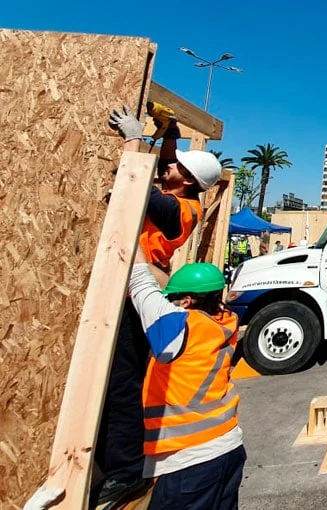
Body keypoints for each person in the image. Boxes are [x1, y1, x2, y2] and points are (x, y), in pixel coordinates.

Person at [94, 105, 222, 505]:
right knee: (119, 380)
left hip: (138, 291)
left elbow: (142, 182)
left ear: (187, 180)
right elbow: (164, 167)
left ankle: (127, 471)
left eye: (175, 166)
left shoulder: (182, 209)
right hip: (130, 286)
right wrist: (168, 132)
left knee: (123, 382)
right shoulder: (175, 193)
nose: (167, 168)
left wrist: (137, 140)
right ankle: (120, 463)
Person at [128, 245, 245, 509]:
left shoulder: (176, 328)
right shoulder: (224, 321)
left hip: (190, 461)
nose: (166, 300)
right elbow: (166, 286)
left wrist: (128, 227)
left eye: (172, 298)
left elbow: (140, 281)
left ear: (187, 301)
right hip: (228, 448)